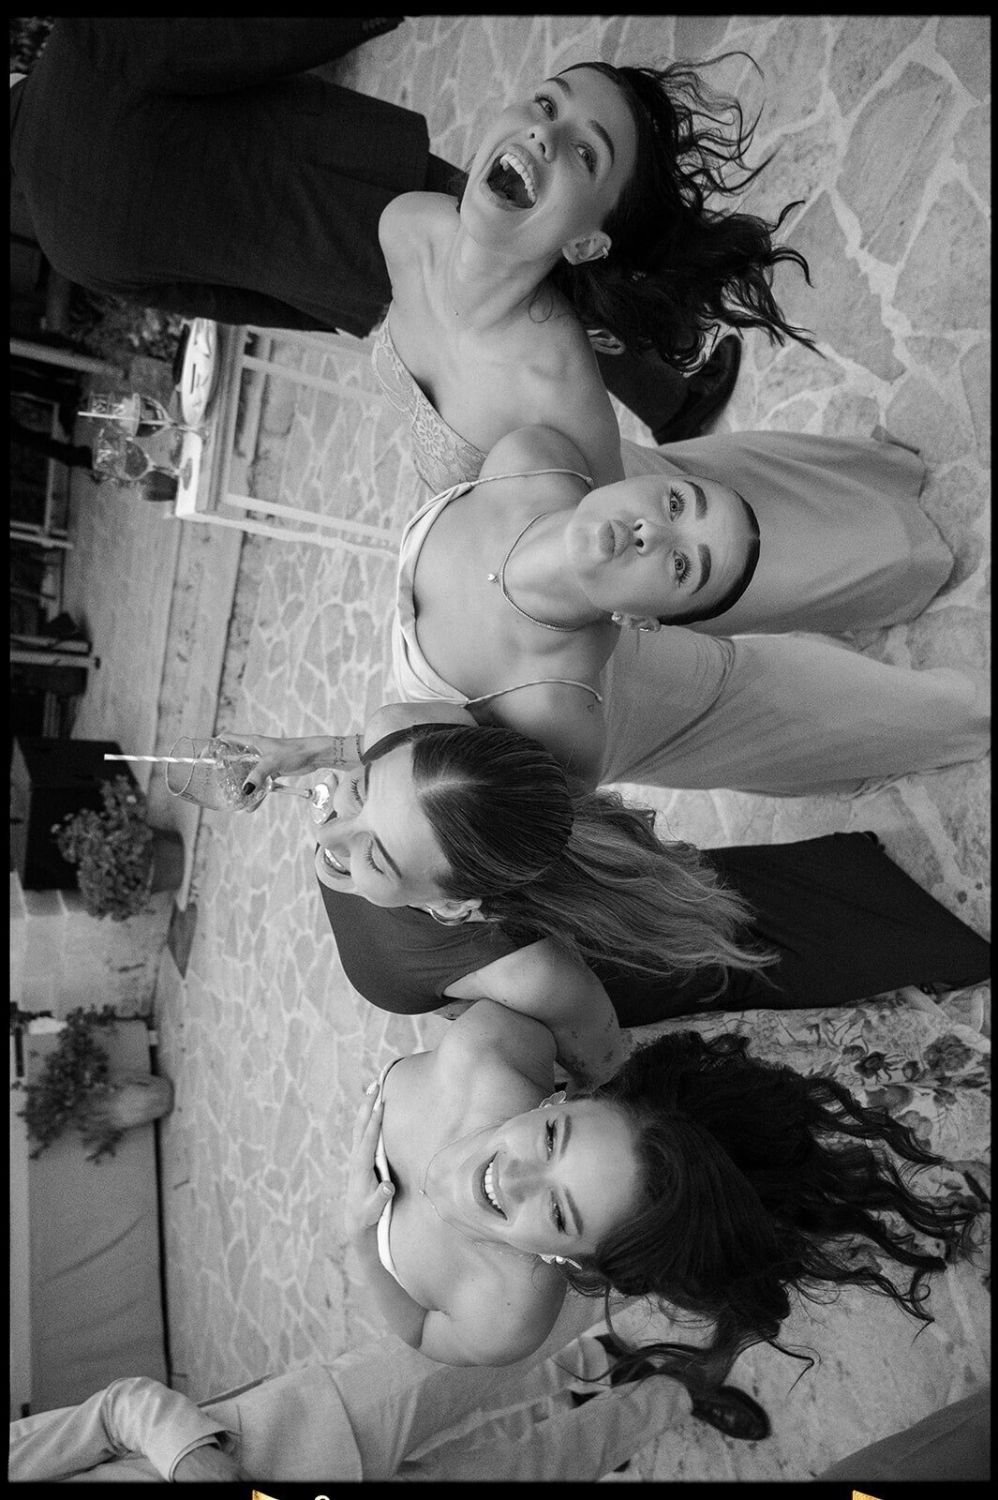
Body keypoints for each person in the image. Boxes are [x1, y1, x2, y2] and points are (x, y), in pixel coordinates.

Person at [375, 57, 963, 641]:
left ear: (584, 244)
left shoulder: (556, 383)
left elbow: (624, 567)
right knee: (723, 482)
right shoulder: (405, 225)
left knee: (745, 554)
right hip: (514, 537)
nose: (543, 134)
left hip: (607, 530)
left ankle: (898, 554)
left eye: (586, 154)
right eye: (547, 104)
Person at [7, 18, 729, 442]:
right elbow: (240, 37)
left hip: (327, 278)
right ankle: (672, 392)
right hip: (359, 183)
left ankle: (661, 397)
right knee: (544, 257)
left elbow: (225, 303)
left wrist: (329, 308)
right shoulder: (82, 51)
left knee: (508, 317)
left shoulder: (67, 247)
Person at [243, 717, 990, 1061]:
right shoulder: (400, 732)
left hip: (620, 976)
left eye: (374, 855)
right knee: (703, 901)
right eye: (359, 786)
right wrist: (301, 754)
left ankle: (916, 940)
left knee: (727, 957)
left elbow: (602, 1060)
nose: (330, 833)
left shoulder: (532, 975)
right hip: (558, 901)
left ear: (453, 906)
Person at [342, 1003, 978, 1385]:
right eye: (552, 1137)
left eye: (559, 1213)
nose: (513, 1178)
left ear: (577, 1261)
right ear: (561, 1100)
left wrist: (360, 1246)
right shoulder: (493, 1048)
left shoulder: (505, 1315)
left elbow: (423, 1334)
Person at [380, 423, 988, 793]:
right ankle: (878, 530)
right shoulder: (535, 454)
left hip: (617, 698)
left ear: (639, 624)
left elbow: (541, 810)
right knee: (705, 499)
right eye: (672, 506)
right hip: (592, 513)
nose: (652, 533)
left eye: (680, 567)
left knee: (748, 698)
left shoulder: (554, 708)